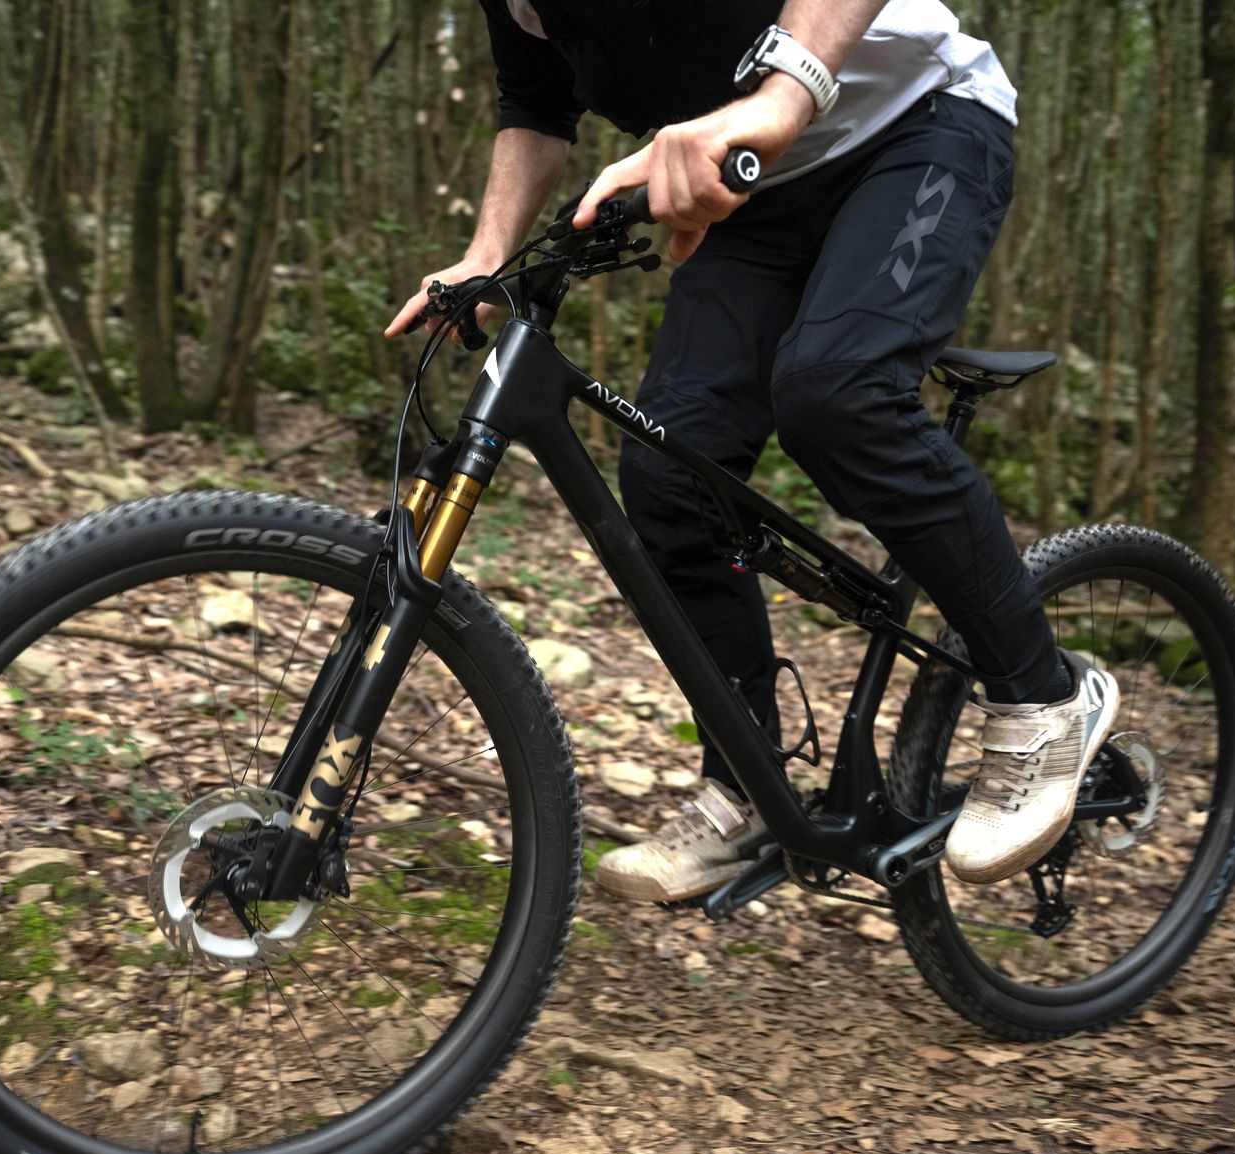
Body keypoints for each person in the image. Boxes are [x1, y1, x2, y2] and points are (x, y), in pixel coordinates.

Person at [385, 1, 1120, 902]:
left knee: (838, 395)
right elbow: (536, 104)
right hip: (763, 192)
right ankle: (747, 788)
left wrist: (784, 95)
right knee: (668, 473)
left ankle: (1043, 697)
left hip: (918, 124)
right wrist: (487, 253)